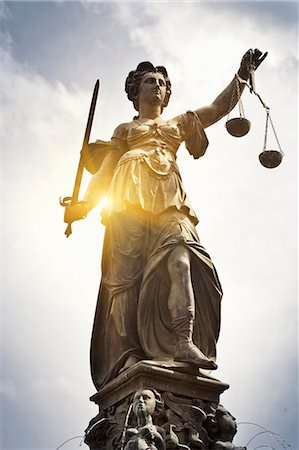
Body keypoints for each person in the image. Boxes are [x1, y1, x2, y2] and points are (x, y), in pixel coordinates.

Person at [64, 49, 266, 390]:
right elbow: (107, 170)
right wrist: (84, 205)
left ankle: (183, 341)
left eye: (161, 83)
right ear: (135, 92)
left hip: (170, 199)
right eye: (149, 82)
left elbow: (217, 110)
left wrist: (241, 77)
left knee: (184, 258)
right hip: (128, 197)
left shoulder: (178, 124)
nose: (156, 87)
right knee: (124, 280)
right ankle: (126, 352)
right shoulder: (125, 130)